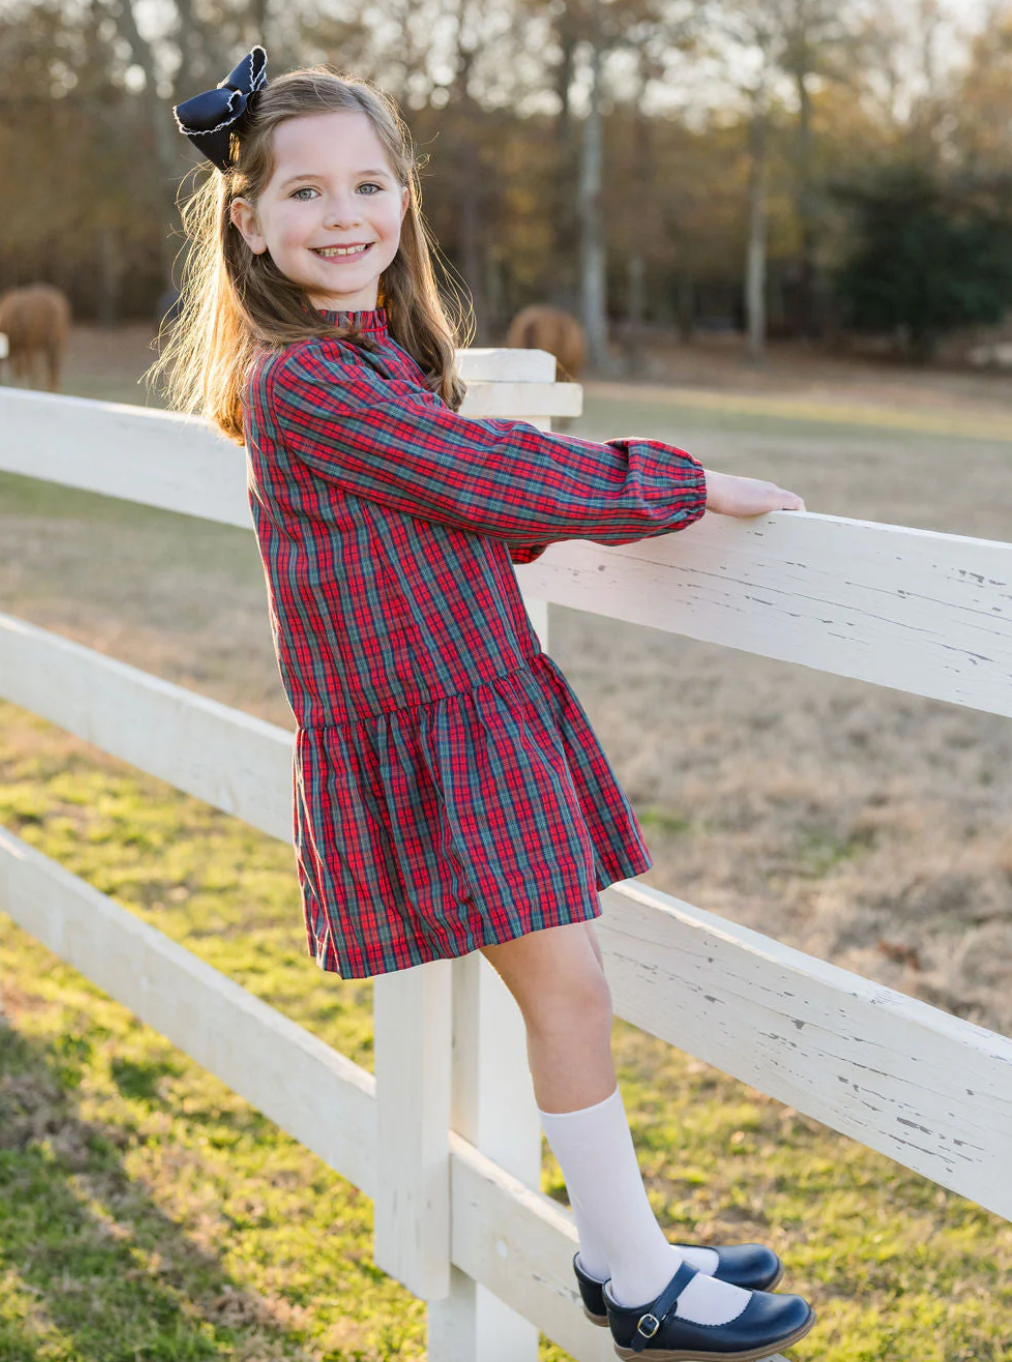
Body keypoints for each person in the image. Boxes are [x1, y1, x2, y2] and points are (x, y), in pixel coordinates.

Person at [153, 45, 815, 1361]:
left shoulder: (371, 357)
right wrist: (687, 482)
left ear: (404, 196)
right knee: (568, 986)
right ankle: (632, 1276)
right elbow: (495, 480)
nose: (344, 219)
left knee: (568, 979)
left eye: (369, 185)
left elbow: (448, 512)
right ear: (248, 223)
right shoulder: (309, 382)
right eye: (305, 195)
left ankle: (634, 1244)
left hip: (474, 715)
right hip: (440, 736)